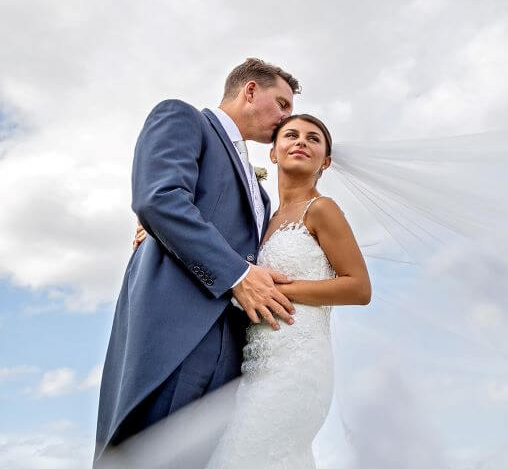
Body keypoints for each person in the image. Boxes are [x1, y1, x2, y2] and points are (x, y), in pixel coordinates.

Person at [94, 58, 302, 467]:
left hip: (235, 345)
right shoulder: (184, 118)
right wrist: (237, 274)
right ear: (250, 90)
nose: (283, 119)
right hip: (179, 331)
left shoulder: (261, 195)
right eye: (281, 105)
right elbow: (160, 197)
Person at [133, 114, 371, 467]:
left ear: (327, 161)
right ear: (273, 153)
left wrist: (280, 290)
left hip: (297, 363)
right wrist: (157, 235)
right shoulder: (262, 219)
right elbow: (216, 253)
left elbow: (359, 288)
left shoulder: (322, 209)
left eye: (313, 139)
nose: (301, 142)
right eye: (291, 135)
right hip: (253, 364)